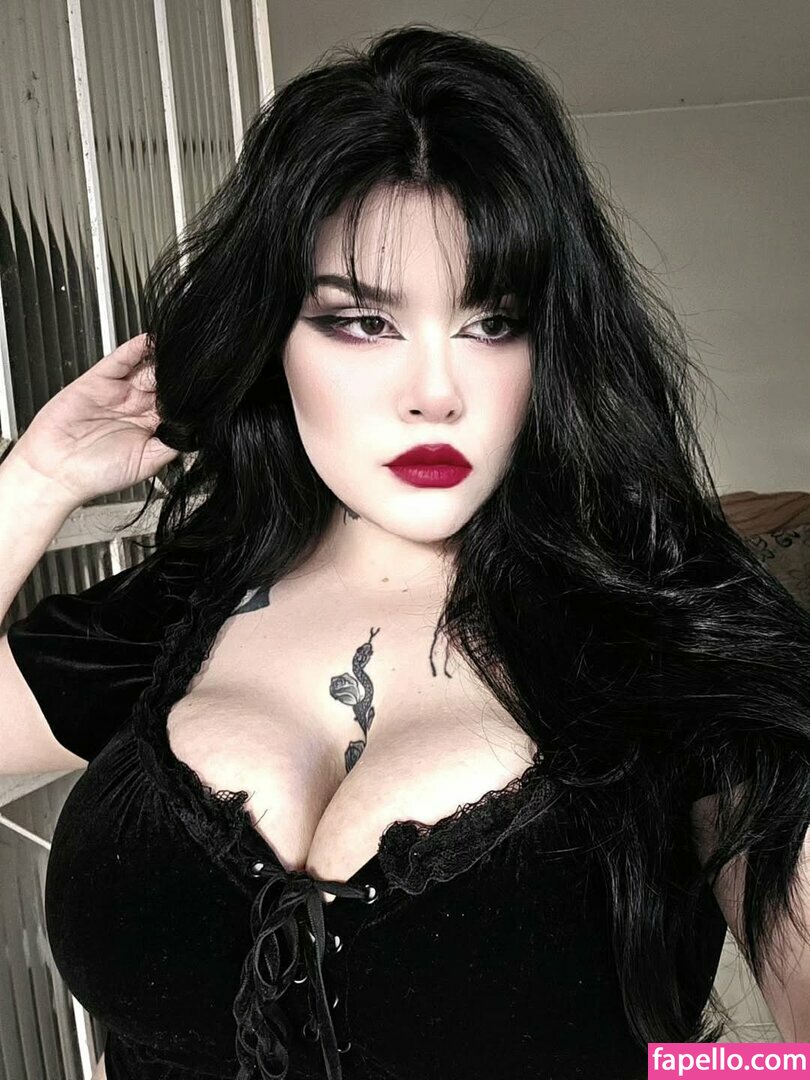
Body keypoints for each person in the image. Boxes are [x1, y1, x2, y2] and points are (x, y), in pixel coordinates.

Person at [1, 22, 808, 1080]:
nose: (436, 393)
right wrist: (36, 482)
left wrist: (677, 1073)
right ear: (273, 336)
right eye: (363, 323)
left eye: (492, 322)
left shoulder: (668, 627)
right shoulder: (188, 597)